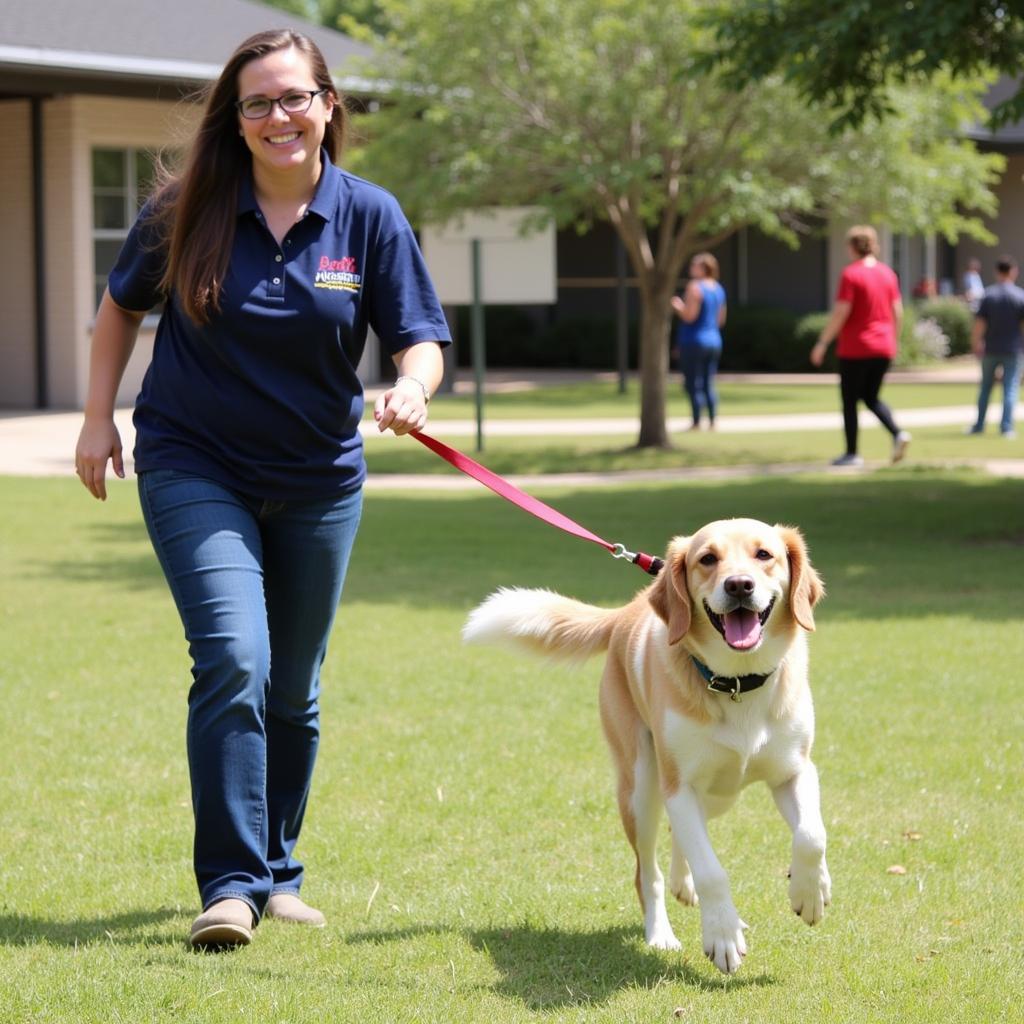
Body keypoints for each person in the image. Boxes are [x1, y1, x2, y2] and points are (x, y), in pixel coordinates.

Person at [74, 29, 451, 949]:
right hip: (193, 461)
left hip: (320, 477)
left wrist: (411, 385)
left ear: (327, 104)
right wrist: (96, 418)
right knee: (235, 657)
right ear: (235, 121)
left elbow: (420, 336)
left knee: (294, 685)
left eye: (293, 97)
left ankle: (280, 872)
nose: (277, 116)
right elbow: (122, 304)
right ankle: (232, 886)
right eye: (256, 103)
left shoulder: (370, 217)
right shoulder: (187, 209)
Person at [810, 225, 911, 467]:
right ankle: (898, 433)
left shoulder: (851, 274)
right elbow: (898, 313)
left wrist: (822, 342)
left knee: (849, 401)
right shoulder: (888, 274)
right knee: (870, 397)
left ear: (852, 246)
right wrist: (893, 342)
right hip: (883, 346)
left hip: (856, 347)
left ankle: (852, 453)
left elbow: (841, 311)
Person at [966, 255, 1024, 439]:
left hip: (990, 349)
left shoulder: (988, 295)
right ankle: (1006, 428)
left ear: (997, 272)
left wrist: (975, 344)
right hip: (1013, 350)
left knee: (985, 388)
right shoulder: (1020, 296)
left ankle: (979, 425)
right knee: (1010, 388)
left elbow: (979, 325)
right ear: (1014, 271)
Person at [671, 252, 727, 430]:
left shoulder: (694, 287)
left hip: (693, 340)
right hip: (714, 341)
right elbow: (721, 320)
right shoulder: (718, 289)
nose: (691, 268)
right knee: (708, 381)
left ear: (703, 268)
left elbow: (689, 316)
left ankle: (696, 422)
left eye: (694, 265)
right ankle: (712, 420)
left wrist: (678, 306)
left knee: (692, 382)